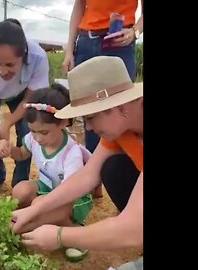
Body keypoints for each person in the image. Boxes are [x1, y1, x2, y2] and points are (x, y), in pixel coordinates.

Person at [10, 56, 143, 262]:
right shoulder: (122, 127)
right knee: (112, 167)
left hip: (134, 229)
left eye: (90, 117)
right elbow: (87, 175)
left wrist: (60, 236)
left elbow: (133, 230)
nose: (88, 128)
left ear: (121, 106)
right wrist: (34, 210)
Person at [0, 84, 93, 260]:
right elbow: (21, 155)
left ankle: (75, 232)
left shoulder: (71, 153)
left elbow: (70, 192)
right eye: (33, 131)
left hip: (73, 199)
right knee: (20, 190)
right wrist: (9, 149)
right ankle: (32, 222)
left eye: (44, 132)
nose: (38, 138)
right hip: (47, 187)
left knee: (39, 203)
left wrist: (40, 206)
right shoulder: (33, 139)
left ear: (63, 122)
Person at [62, 0, 144, 197]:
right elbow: (79, 6)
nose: (87, 126)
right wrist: (69, 49)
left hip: (119, 38)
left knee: (117, 117)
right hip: (86, 39)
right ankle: (98, 184)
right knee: (94, 117)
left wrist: (135, 31)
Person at [0, 18, 50, 193]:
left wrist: (8, 122)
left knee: (26, 135)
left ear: (23, 56)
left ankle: (19, 183)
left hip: (23, 95)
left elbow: (31, 99)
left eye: (10, 64)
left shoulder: (37, 57)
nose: (3, 71)